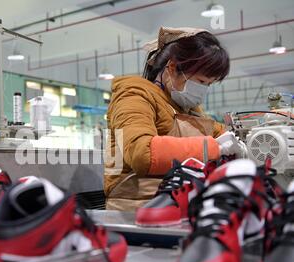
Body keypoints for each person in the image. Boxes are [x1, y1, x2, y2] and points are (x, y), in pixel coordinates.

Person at [104, 27, 246, 211]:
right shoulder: (133, 96)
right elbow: (142, 154)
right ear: (172, 68)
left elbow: (223, 134)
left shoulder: (190, 110)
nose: (204, 90)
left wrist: (241, 141)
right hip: (137, 208)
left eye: (209, 84)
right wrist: (215, 148)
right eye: (202, 82)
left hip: (180, 203)